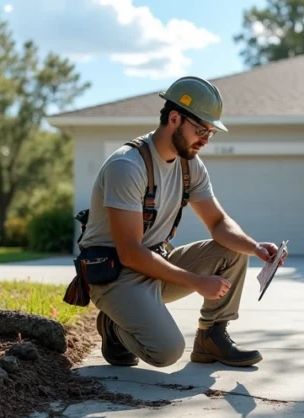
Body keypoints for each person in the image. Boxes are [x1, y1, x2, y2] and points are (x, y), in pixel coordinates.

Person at [75, 75, 286, 369]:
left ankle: (211, 338)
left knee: (234, 248)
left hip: (155, 265)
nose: (206, 140)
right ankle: (112, 326)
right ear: (174, 118)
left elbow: (218, 222)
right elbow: (130, 253)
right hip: (116, 276)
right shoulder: (127, 166)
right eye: (201, 129)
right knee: (166, 352)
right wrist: (197, 282)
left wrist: (255, 247)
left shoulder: (190, 166)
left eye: (211, 132)